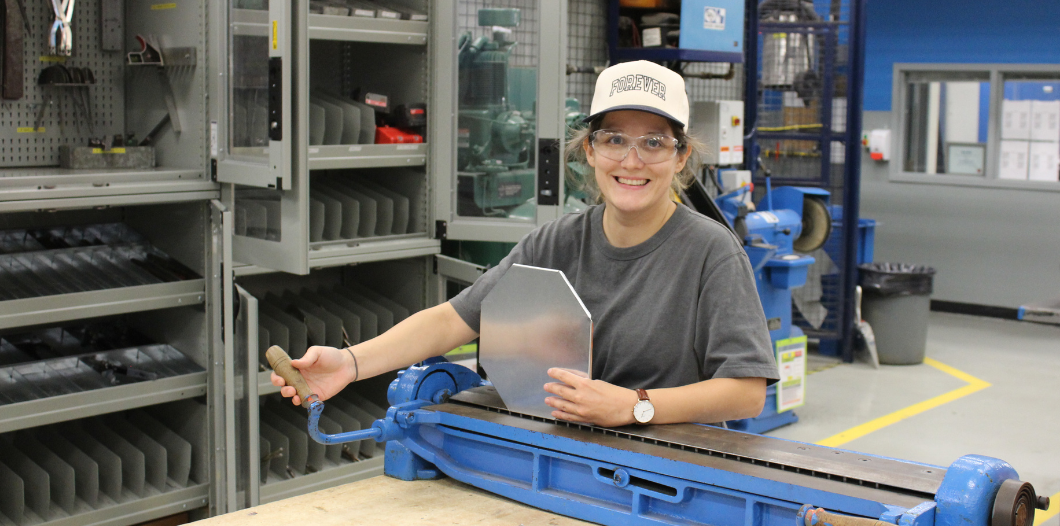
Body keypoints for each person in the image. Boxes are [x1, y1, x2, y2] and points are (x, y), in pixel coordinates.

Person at [272, 60, 778, 427]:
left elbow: (745, 392)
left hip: (672, 473)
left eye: (653, 142)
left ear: (681, 154)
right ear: (590, 149)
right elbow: (454, 319)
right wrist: (351, 363)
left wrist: (634, 406)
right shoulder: (557, 243)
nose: (631, 160)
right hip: (566, 451)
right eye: (615, 139)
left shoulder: (711, 253)